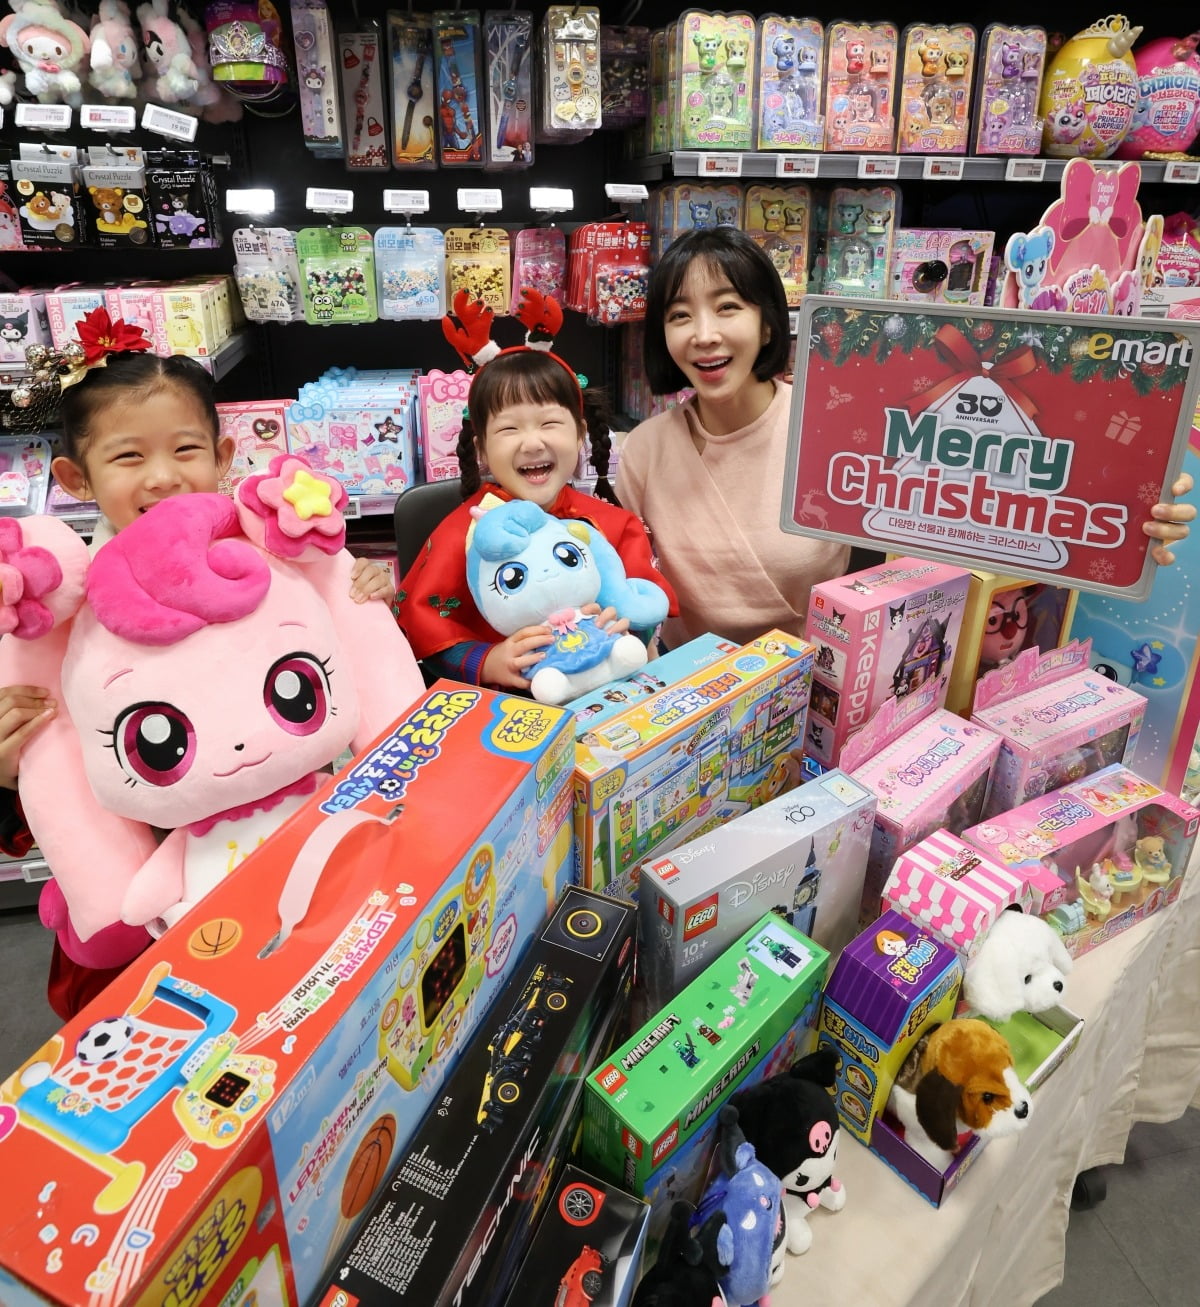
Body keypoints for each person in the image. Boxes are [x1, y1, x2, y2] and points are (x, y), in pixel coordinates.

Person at [0, 335, 394, 1019]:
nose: (162, 476)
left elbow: (354, 671)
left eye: (185, 450)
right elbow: (49, 773)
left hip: (302, 834)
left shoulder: (273, 561)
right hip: (157, 904)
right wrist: (10, 765)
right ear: (75, 478)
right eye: (128, 455)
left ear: (222, 458)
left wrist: (363, 592)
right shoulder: (60, 616)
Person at [616, 227, 1197, 649]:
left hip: (823, 679)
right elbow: (623, 586)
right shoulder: (643, 453)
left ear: (768, 321)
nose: (705, 335)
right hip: (691, 697)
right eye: (680, 316)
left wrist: (1121, 501)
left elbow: (978, 493)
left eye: (727, 307)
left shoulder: (833, 421)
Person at [398, 312, 677, 689]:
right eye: (509, 429)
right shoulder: (463, 534)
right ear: (481, 449)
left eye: (549, 424)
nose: (532, 443)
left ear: (580, 434)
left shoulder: (612, 525)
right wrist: (487, 661)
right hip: (505, 711)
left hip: (605, 697)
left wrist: (627, 630)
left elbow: (644, 610)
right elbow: (426, 627)